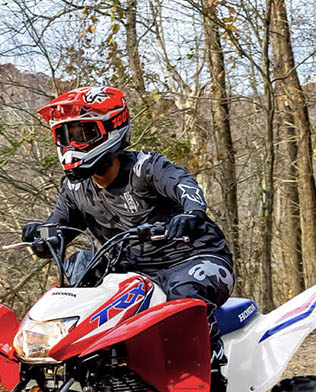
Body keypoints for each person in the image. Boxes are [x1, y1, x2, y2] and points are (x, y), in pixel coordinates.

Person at [21, 85, 235, 310]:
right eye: (65, 136)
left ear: (112, 128)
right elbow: (56, 232)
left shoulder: (145, 167)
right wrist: (39, 234)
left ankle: (208, 343)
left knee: (183, 301)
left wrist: (192, 213)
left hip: (194, 259)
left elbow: (183, 183)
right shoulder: (74, 190)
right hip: (132, 272)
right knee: (79, 266)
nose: (72, 145)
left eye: (83, 134)